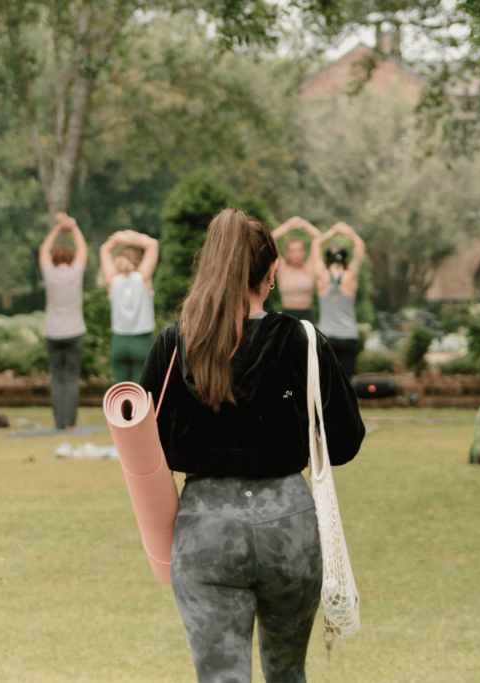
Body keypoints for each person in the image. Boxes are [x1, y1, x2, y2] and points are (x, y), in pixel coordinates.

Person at [140, 208, 365, 683]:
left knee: (222, 676)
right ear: (271, 273)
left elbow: (144, 450)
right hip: (289, 522)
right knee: (287, 673)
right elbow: (344, 443)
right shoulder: (303, 341)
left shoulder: (175, 343)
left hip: (205, 526)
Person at [39, 213, 88, 430]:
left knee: (57, 379)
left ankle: (59, 422)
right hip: (75, 331)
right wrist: (73, 226)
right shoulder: (76, 272)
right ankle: (70, 423)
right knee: (71, 379)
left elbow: (43, 250)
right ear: (70, 259)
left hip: (53, 333)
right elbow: (83, 248)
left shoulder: (49, 273)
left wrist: (58, 229)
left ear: (55, 259)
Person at [99, 229, 158, 383]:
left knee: (120, 393)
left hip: (119, 341)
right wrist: (132, 237)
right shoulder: (143, 277)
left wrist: (118, 238)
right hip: (143, 341)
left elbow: (104, 249)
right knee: (141, 392)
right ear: (138, 261)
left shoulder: (113, 280)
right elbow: (153, 244)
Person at [310, 222, 366, 378]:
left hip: (327, 338)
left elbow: (315, 244)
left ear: (327, 259)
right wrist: (349, 232)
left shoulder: (322, 276)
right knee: (346, 384)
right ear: (345, 259)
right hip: (349, 337)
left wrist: (332, 231)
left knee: (327, 384)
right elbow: (360, 245)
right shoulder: (351, 276)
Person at [272, 216, 321, 321]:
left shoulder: (310, 268)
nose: (297, 254)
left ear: (305, 252)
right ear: (287, 253)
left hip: (307, 315)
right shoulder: (282, 269)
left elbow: (318, 237)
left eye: (300, 250)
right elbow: (270, 238)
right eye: (293, 251)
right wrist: (287, 226)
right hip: (286, 315)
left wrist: (303, 223)